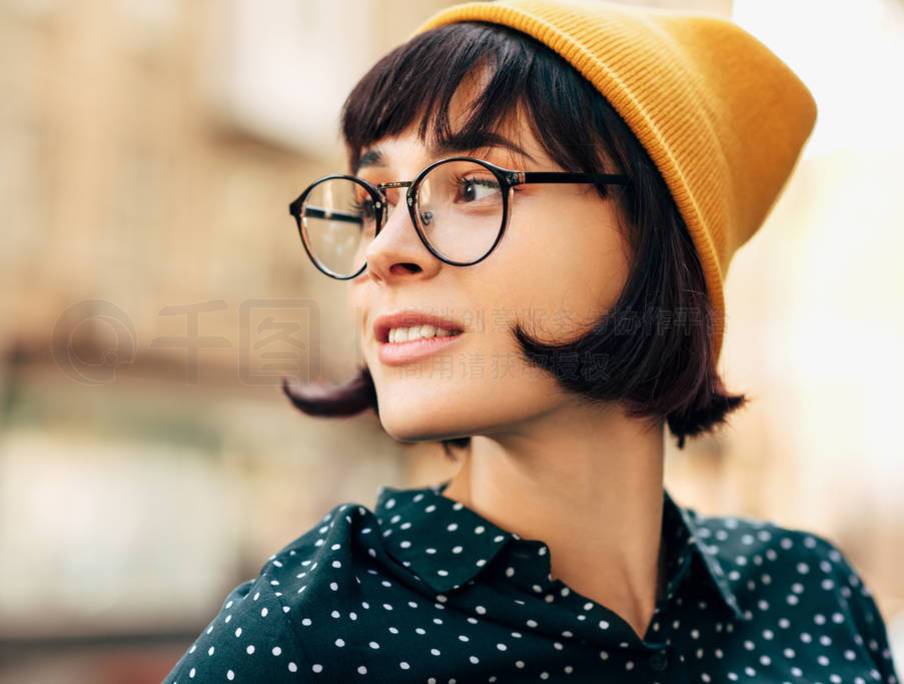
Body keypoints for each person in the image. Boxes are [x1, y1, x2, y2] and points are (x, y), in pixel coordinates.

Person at [163, 0, 900, 681]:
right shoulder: (299, 639)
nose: (384, 249)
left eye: (474, 186)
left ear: (656, 232)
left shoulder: (810, 596)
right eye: (371, 202)